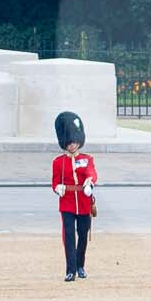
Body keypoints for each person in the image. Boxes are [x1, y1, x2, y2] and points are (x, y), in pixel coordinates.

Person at [52, 111, 96, 282]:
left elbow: (91, 172)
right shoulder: (58, 162)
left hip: (83, 202)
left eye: (75, 142)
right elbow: (55, 182)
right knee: (69, 236)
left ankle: (80, 266)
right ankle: (70, 270)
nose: (72, 145)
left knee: (83, 236)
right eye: (69, 143)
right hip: (67, 203)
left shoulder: (87, 159)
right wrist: (58, 188)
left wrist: (90, 182)